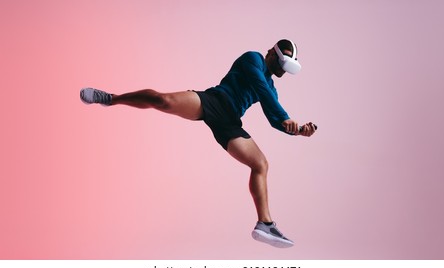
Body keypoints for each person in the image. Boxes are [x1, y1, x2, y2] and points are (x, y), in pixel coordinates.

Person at [80, 39, 316, 248]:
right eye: (281, 65)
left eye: (286, 70)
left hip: (230, 122)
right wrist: (285, 117)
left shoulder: (271, 86)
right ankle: (111, 99)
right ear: (271, 53)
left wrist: (297, 131)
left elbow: (275, 118)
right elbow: (262, 89)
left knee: (261, 164)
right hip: (212, 101)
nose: (282, 73)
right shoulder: (253, 58)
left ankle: (265, 224)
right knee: (161, 100)